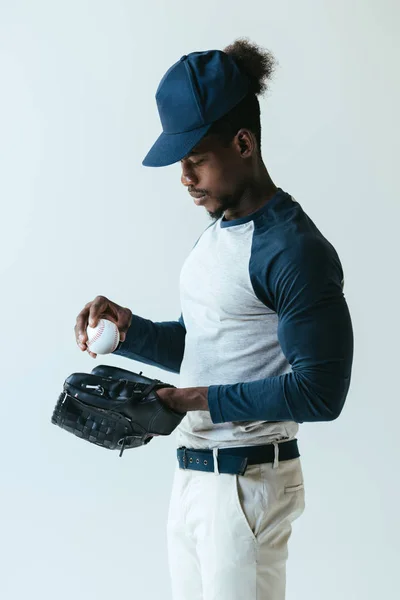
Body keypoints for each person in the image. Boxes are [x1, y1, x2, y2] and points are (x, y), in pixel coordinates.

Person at [75, 38, 354, 600]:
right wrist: (129, 330)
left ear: (243, 142)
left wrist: (194, 399)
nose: (184, 177)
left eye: (195, 159)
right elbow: (204, 345)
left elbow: (322, 392)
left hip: (247, 485)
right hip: (194, 478)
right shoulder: (218, 236)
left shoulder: (294, 250)